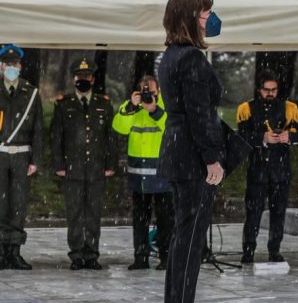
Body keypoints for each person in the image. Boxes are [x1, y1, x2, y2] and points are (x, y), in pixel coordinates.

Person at [157, 0, 226, 303]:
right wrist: (212, 158)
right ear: (188, 18)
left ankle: (178, 302)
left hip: (176, 150)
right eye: (204, 14)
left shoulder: (170, 55)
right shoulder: (192, 59)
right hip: (191, 154)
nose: (209, 21)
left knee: (184, 230)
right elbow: (199, 113)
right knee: (192, 231)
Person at [51, 59, 117, 270]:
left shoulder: (104, 104)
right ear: (74, 79)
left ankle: (92, 254)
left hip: (97, 167)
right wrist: (58, 163)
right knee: (75, 213)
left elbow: (110, 137)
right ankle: (77, 254)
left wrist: (110, 163)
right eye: (79, 77)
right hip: (73, 168)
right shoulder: (64, 104)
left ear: (93, 79)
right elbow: (57, 137)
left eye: (87, 77)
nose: (83, 80)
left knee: (93, 213)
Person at [236, 72, 298, 263]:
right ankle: (248, 250)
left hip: (281, 170)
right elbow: (241, 137)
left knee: (278, 212)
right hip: (257, 170)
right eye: (267, 89)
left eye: (273, 90)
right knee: (253, 212)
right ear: (260, 90)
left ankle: (274, 250)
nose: (270, 93)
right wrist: (262, 139)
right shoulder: (247, 109)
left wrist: (288, 137)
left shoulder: (289, 108)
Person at [112, 74, 173, 270]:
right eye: (145, 92)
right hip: (139, 174)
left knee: (165, 218)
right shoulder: (131, 107)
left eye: (152, 92)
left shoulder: (167, 105)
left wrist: (154, 109)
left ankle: (166, 257)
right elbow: (119, 127)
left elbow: (169, 127)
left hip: (162, 173)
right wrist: (131, 107)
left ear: (159, 91)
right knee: (140, 219)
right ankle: (141, 257)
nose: (148, 96)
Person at [0, 45, 42, 270]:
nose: (11, 68)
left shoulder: (31, 92)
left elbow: (37, 128)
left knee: (18, 205)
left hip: (21, 156)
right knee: (0, 204)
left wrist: (35, 159)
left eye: (14, 64)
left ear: (20, 66)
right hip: (0, 155)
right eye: (7, 64)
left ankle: (14, 252)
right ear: (1, 66)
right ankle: (0, 251)